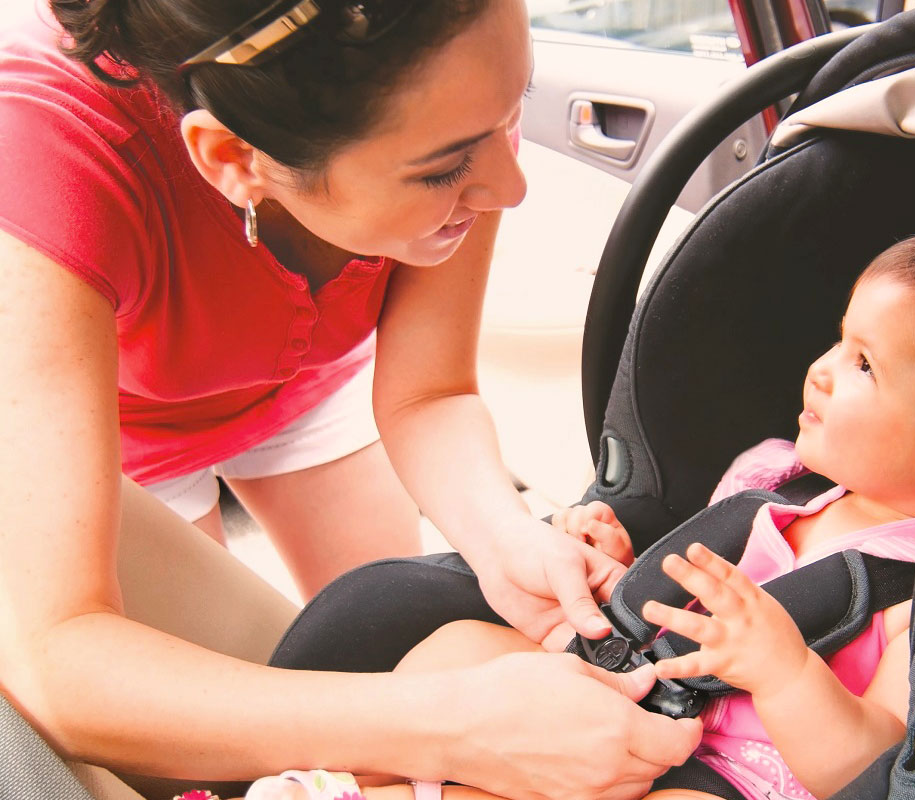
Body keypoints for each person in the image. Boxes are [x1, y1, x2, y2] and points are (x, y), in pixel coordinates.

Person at [0, 0, 701, 797]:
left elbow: (429, 394)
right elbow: (60, 664)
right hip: (120, 430)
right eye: (444, 168)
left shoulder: (448, 99)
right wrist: (451, 729)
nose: (510, 190)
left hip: (304, 378)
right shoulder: (46, 155)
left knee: (368, 622)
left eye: (512, 115)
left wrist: (506, 539)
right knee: (217, 702)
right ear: (233, 156)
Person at [232, 224, 915, 800]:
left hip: (736, 778)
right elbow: (671, 607)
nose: (822, 371)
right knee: (457, 648)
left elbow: (872, 766)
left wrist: (786, 670)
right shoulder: (774, 482)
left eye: (864, 364)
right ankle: (344, 778)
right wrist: (617, 561)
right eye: (836, 340)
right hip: (630, 687)